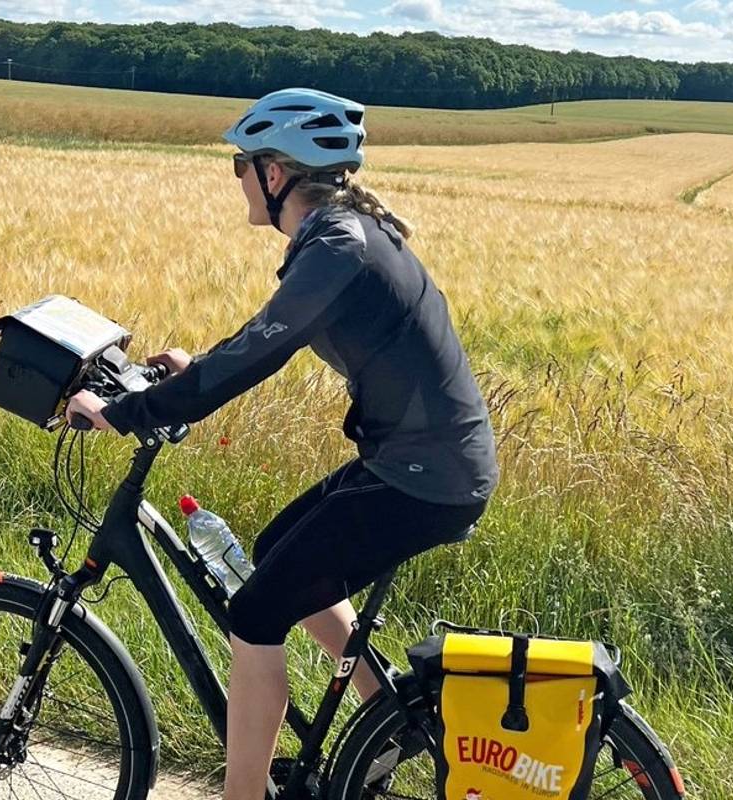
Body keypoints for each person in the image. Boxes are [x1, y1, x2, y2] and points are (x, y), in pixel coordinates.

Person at [64, 87, 499, 800]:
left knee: (256, 611)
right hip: (423, 462)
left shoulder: (337, 247)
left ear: (276, 174)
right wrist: (190, 370)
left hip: (423, 476)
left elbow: (260, 353)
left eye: (242, 162)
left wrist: (132, 413)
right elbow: (266, 334)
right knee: (275, 558)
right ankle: (383, 716)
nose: (237, 175)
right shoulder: (342, 234)